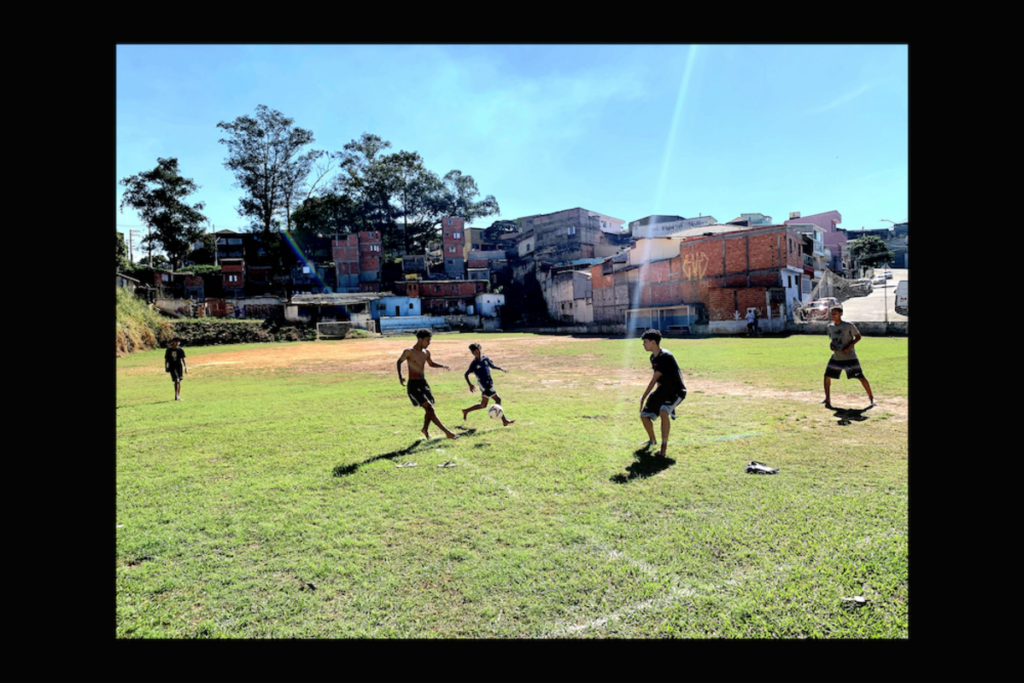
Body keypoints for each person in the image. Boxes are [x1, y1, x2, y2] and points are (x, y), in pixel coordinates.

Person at [397, 329, 459, 440]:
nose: (429, 343)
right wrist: (400, 376)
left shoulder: (426, 352)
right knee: (429, 408)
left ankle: (425, 429)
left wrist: (442, 366)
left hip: (423, 383)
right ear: (420, 340)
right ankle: (447, 432)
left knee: (429, 408)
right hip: (413, 385)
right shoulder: (409, 352)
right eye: (427, 340)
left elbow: (431, 364)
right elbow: (399, 362)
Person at [639, 329, 687, 458]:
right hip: (663, 390)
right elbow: (660, 381)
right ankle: (652, 440)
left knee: (663, 412)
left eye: (645, 342)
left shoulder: (665, 356)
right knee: (644, 415)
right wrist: (655, 397)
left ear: (653, 342)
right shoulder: (653, 357)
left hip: (676, 391)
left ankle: (663, 448)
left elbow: (655, 378)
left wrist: (643, 397)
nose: (643, 344)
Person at [823, 305, 875, 409]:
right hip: (836, 357)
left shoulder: (848, 326)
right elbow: (832, 339)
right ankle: (827, 398)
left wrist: (848, 347)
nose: (832, 315)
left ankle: (871, 398)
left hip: (849, 357)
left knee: (860, 377)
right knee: (827, 376)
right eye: (831, 313)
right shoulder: (830, 327)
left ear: (840, 314)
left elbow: (858, 337)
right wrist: (831, 346)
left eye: (835, 313)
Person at [461, 343, 515, 426]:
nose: (477, 353)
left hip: (489, 383)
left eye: (478, 351)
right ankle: (504, 420)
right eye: (475, 352)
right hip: (484, 385)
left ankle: (466, 411)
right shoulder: (474, 364)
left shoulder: (485, 359)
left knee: (483, 405)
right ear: (473, 354)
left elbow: (492, 366)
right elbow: (466, 374)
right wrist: (470, 385)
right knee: (498, 399)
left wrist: (501, 369)